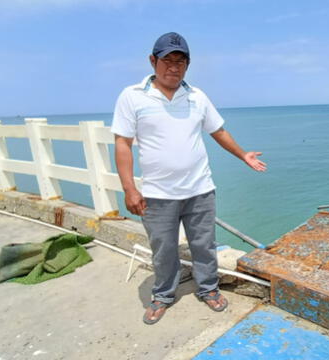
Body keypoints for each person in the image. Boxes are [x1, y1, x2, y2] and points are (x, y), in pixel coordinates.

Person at [111, 32, 266, 325]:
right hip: (158, 193)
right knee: (163, 248)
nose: (174, 66)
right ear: (152, 61)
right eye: (167, 60)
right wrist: (130, 188)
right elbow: (122, 143)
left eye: (180, 61)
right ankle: (163, 295)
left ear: (188, 64)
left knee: (204, 244)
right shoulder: (132, 96)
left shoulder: (197, 96)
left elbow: (218, 131)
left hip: (200, 189)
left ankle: (208, 289)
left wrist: (242, 154)